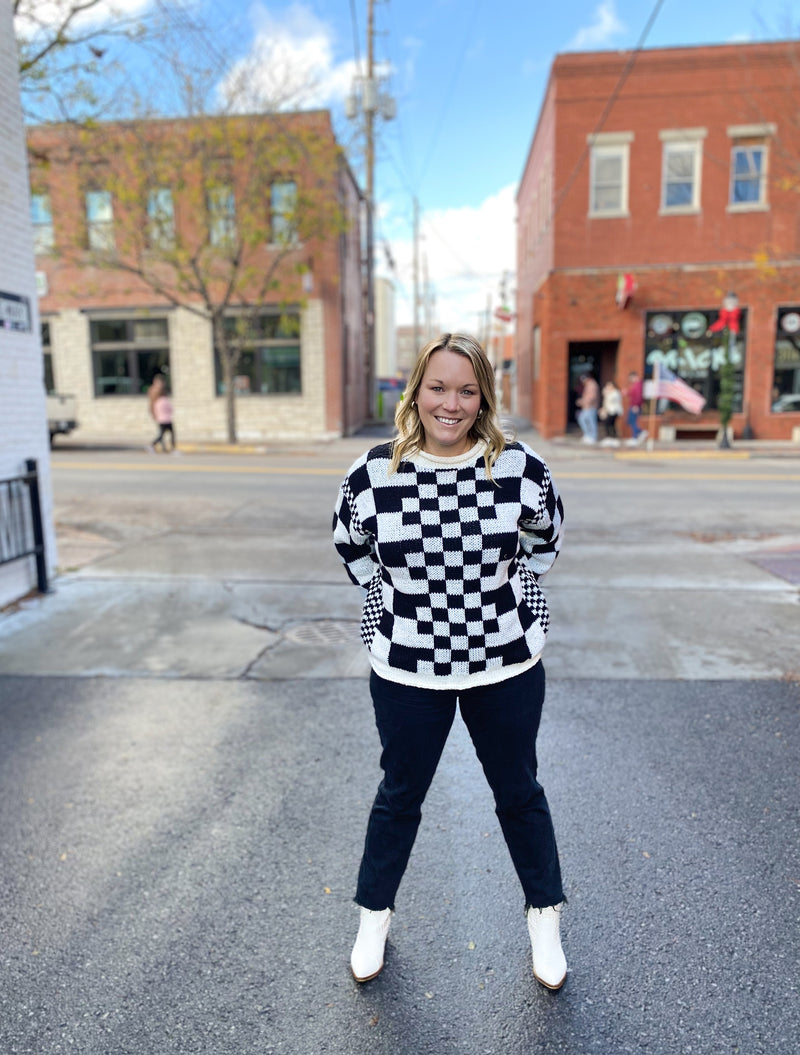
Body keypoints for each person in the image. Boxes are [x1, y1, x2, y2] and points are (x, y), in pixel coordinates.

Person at [332, 333, 568, 991]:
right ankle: (373, 916)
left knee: (519, 792)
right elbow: (350, 548)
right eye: (438, 386)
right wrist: (401, 600)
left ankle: (544, 918)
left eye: (467, 390)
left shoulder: (518, 468)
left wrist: (503, 590)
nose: (451, 402)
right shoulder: (373, 472)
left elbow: (546, 538)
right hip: (409, 668)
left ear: (483, 397)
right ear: (416, 391)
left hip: (506, 665)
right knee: (399, 795)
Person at [147, 374, 175, 453]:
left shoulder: (162, 390)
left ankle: (164, 447)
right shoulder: (154, 390)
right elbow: (152, 403)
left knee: (166, 433)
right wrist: (154, 414)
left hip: (165, 415)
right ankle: (153, 445)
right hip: (161, 415)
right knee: (162, 433)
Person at [576, 370, 599, 444]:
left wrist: (582, 401)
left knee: (590, 422)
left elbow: (591, 397)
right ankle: (588, 435)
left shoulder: (592, 385)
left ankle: (592, 437)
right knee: (584, 420)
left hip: (590, 407)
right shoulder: (589, 384)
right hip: (587, 407)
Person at [599, 380, 623, 446]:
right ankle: (609, 437)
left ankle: (613, 438)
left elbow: (612, 400)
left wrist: (607, 393)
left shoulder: (615, 393)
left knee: (609, 424)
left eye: (610, 385)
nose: (608, 387)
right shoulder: (607, 393)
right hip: (609, 411)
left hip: (614, 411)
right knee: (609, 424)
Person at [625, 370, 646, 446]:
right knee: (630, 421)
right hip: (633, 405)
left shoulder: (638, 385)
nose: (630, 380)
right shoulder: (635, 385)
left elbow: (638, 396)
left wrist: (636, 405)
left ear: (635, 377)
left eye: (631, 378)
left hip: (635, 406)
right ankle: (636, 435)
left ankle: (637, 435)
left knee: (633, 421)